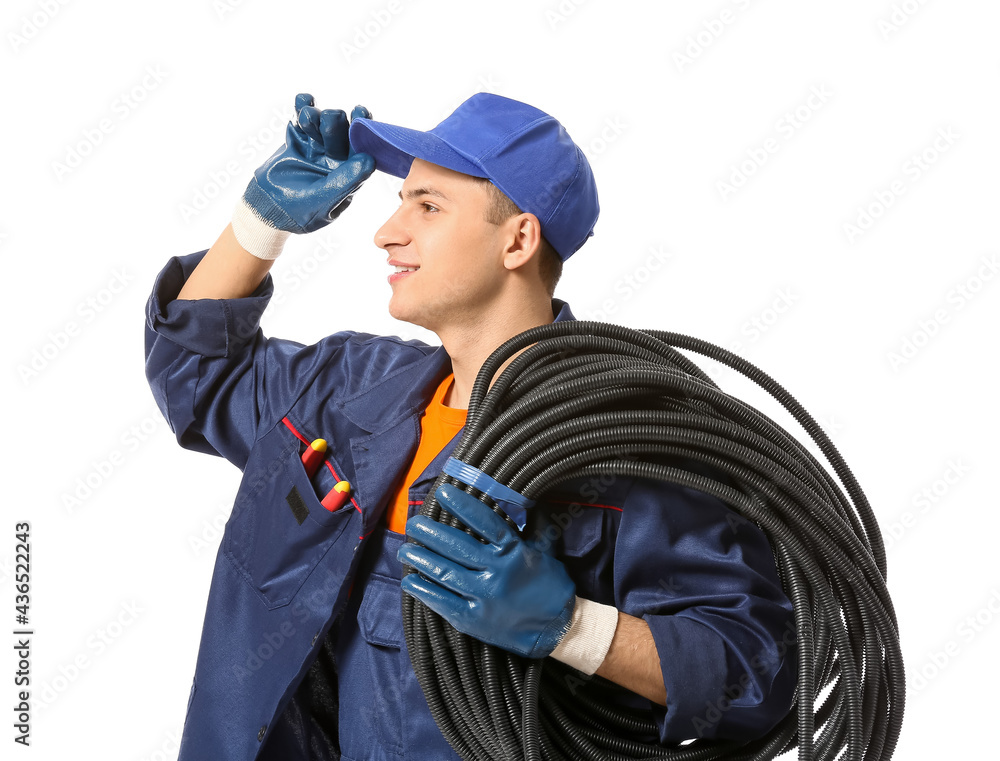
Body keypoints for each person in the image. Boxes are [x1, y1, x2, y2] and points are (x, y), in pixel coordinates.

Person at [144, 92, 796, 761]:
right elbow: (194, 375)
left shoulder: (626, 442)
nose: (387, 231)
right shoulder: (346, 386)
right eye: (401, 201)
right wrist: (259, 224)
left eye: (427, 205)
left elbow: (756, 671)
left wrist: (573, 626)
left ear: (518, 240)